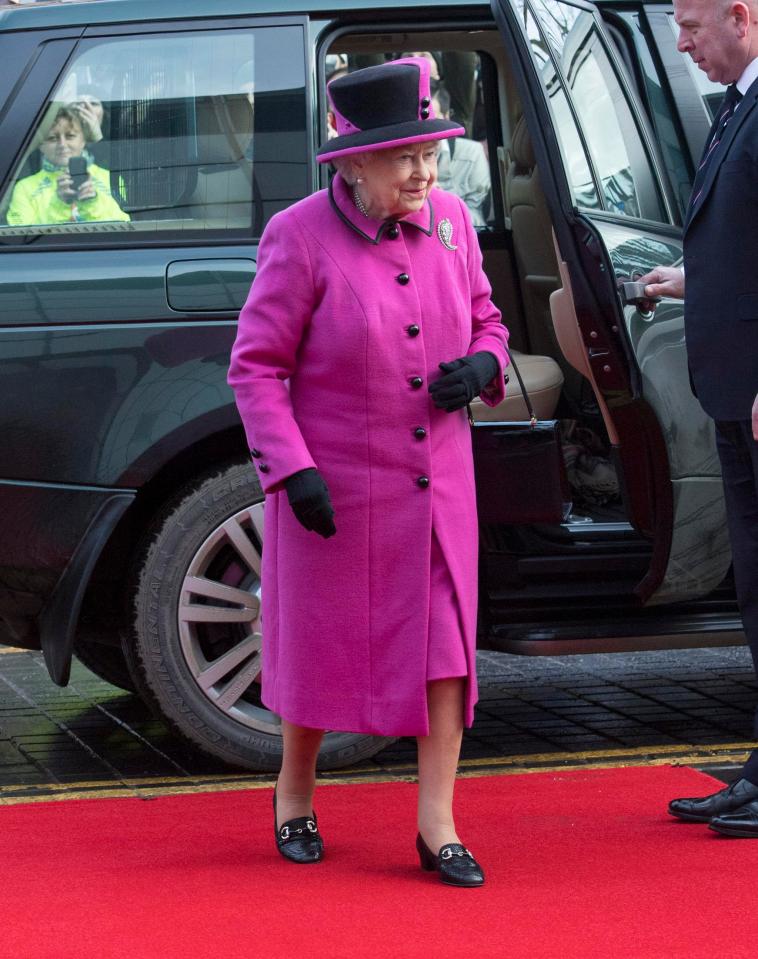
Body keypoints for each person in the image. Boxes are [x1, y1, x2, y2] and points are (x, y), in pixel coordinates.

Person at [228, 57, 509, 884]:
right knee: (322, 649)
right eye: (405, 158)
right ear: (354, 162)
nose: (424, 172)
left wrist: (485, 366)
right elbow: (255, 368)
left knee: (448, 650)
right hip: (339, 488)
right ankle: (294, 792)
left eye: (431, 154)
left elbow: (488, 319)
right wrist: (291, 471)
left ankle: (437, 823)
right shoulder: (300, 235)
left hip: (440, 489)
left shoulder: (453, 219)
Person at [640, 0, 758, 838]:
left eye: (689, 26)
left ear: (741, 16)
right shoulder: (740, 107)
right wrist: (691, 278)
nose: (678, 43)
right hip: (733, 392)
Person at [6, 106, 129, 226]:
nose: (62, 144)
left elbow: (125, 226)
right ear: (40, 145)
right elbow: (20, 237)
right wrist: (60, 203)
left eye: (70, 136)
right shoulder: (24, 188)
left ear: (84, 140)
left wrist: (91, 202)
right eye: (52, 138)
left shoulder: (111, 178)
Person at [432, 84, 491, 227]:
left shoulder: (472, 154)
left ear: (446, 118)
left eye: (431, 120)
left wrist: (441, 204)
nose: (424, 130)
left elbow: (478, 221)